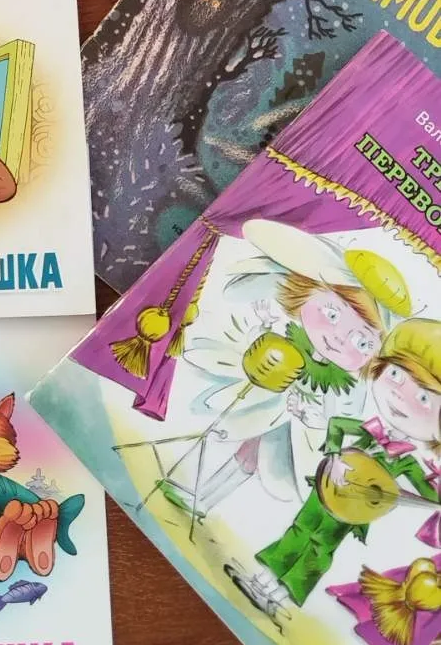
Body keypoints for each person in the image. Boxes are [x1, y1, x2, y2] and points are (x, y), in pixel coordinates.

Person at [163, 221, 409, 521]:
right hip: (263, 400)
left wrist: (311, 415)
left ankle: (201, 499)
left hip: (290, 425)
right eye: (332, 314)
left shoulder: (346, 382)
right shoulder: (295, 335)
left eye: (361, 341)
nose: (338, 338)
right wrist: (265, 323)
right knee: (237, 443)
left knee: (252, 456)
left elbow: (342, 415)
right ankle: (199, 496)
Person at [233, 318, 441, 617]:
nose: (400, 395)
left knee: (319, 549)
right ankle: (261, 581)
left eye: (423, 397)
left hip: (351, 511)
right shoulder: (370, 431)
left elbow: (428, 496)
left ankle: (278, 597)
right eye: (395, 374)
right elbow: (337, 425)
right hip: (327, 487)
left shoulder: (406, 461)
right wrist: (334, 458)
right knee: (298, 531)